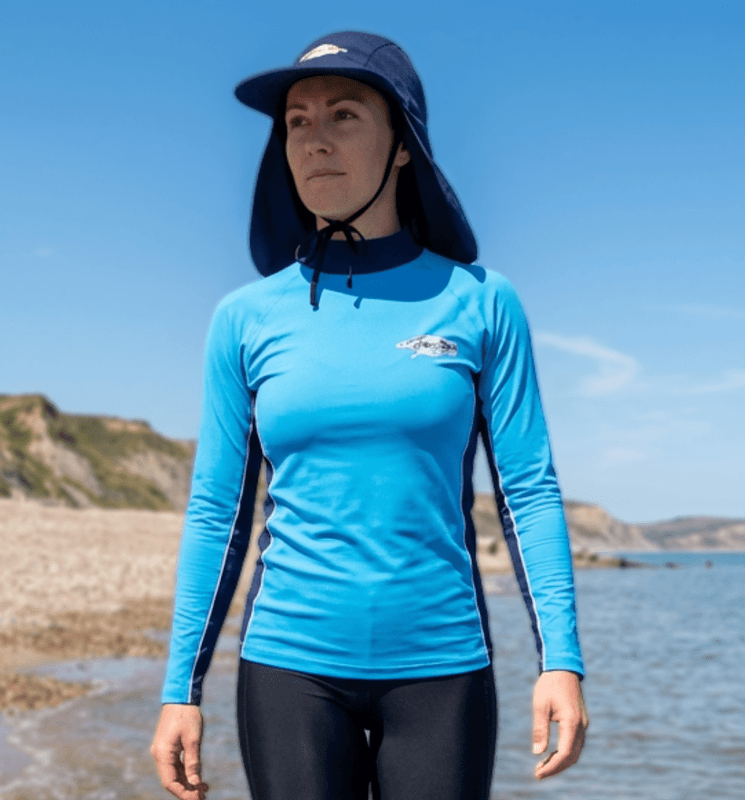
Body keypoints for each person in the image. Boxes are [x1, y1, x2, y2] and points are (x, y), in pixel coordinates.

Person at [151, 31, 588, 800]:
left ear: (404, 146)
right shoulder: (245, 318)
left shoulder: (482, 302)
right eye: (297, 121)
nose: (314, 139)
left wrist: (561, 660)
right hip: (287, 668)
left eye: (344, 115)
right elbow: (217, 512)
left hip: (442, 670)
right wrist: (178, 689)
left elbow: (529, 493)